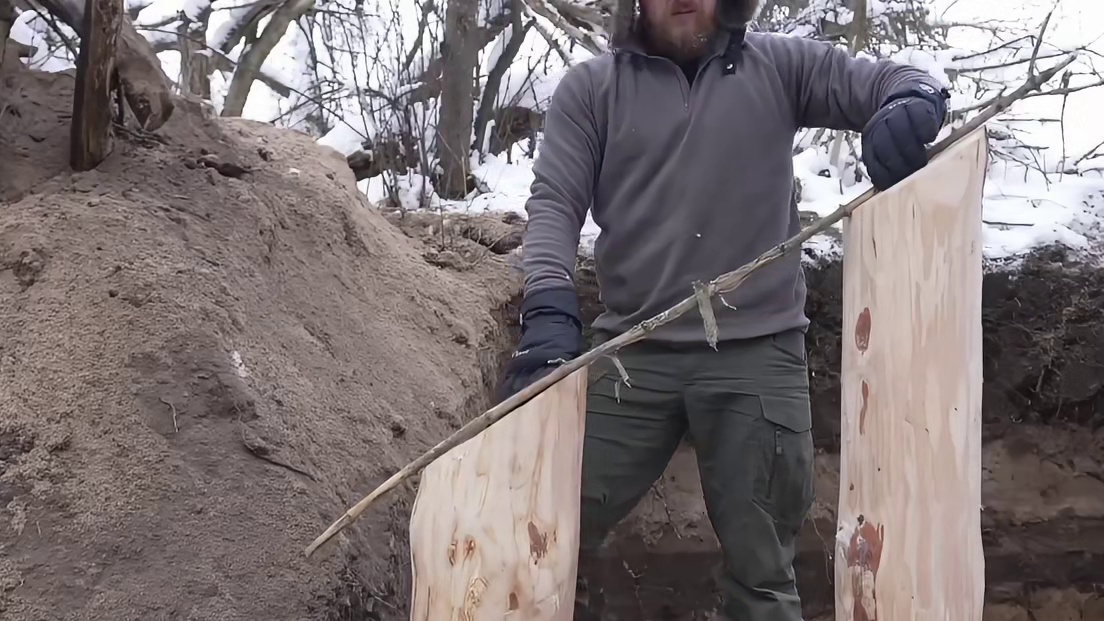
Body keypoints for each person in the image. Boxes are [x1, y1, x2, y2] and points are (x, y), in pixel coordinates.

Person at [499, 0, 949, 618]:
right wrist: (548, 309)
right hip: (632, 352)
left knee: (763, 574)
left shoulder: (780, 65)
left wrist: (911, 106)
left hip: (757, 356)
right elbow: (553, 205)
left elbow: (897, 82)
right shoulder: (592, 91)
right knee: (539, 526)